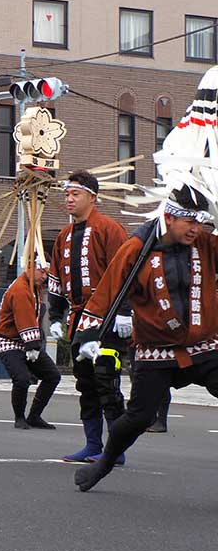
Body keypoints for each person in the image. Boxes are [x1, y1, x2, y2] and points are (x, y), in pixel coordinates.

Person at [74, 186, 218, 492]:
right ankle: (106, 461)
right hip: (155, 350)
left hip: (203, 344)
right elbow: (110, 288)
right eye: (188, 222)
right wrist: (89, 333)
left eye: (199, 222)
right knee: (139, 418)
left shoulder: (205, 243)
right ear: (169, 217)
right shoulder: (137, 247)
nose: (196, 229)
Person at [47, 171, 131, 463]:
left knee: (107, 381)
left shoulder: (109, 229)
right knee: (85, 384)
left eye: (75, 194)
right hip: (78, 318)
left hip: (107, 318)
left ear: (92, 198)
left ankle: (115, 450)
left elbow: (126, 273)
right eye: (67, 195)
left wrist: (124, 312)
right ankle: (93, 445)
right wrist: (56, 316)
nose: (69, 200)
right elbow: (56, 279)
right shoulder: (63, 236)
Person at [0, 264, 61, 429]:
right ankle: (19, 417)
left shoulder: (35, 287)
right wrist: (33, 345)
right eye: (42, 272)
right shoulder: (21, 289)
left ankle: (34, 416)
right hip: (8, 341)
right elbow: (25, 318)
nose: (44, 277)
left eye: (47, 273)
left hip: (27, 341)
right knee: (22, 379)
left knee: (52, 375)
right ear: (30, 267)